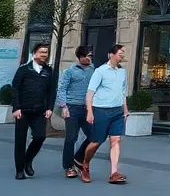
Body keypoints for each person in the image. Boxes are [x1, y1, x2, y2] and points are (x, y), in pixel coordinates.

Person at [83, 43, 129, 185]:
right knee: (96, 141)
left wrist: (125, 109)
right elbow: (90, 93)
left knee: (116, 140)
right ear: (111, 54)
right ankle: (85, 164)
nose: (122, 55)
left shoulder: (122, 72)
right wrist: (89, 112)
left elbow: (123, 92)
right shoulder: (100, 71)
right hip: (101, 110)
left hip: (117, 111)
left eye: (123, 53)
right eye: (120, 53)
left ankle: (114, 173)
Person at [11, 43, 56, 180]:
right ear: (34, 53)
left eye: (46, 52)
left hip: (40, 110)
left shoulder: (48, 71)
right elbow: (15, 89)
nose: (44, 55)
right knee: (20, 140)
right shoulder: (24, 69)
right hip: (23, 110)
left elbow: (51, 91)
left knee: (40, 136)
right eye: (41, 52)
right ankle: (19, 170)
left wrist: (50, 108)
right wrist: (16, 107)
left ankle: (28, 159)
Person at [56, 45, 95, 178]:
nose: (90, 58)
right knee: (71, 138)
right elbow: (62, 89)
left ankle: (78, 158)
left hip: (87, 108)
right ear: (80, 57)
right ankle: (68, 167)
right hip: (72, 107)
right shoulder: (70, 71)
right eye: (87, 56)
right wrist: (64, 106)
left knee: (94, 135)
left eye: (91, 56)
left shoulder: (93, 70)